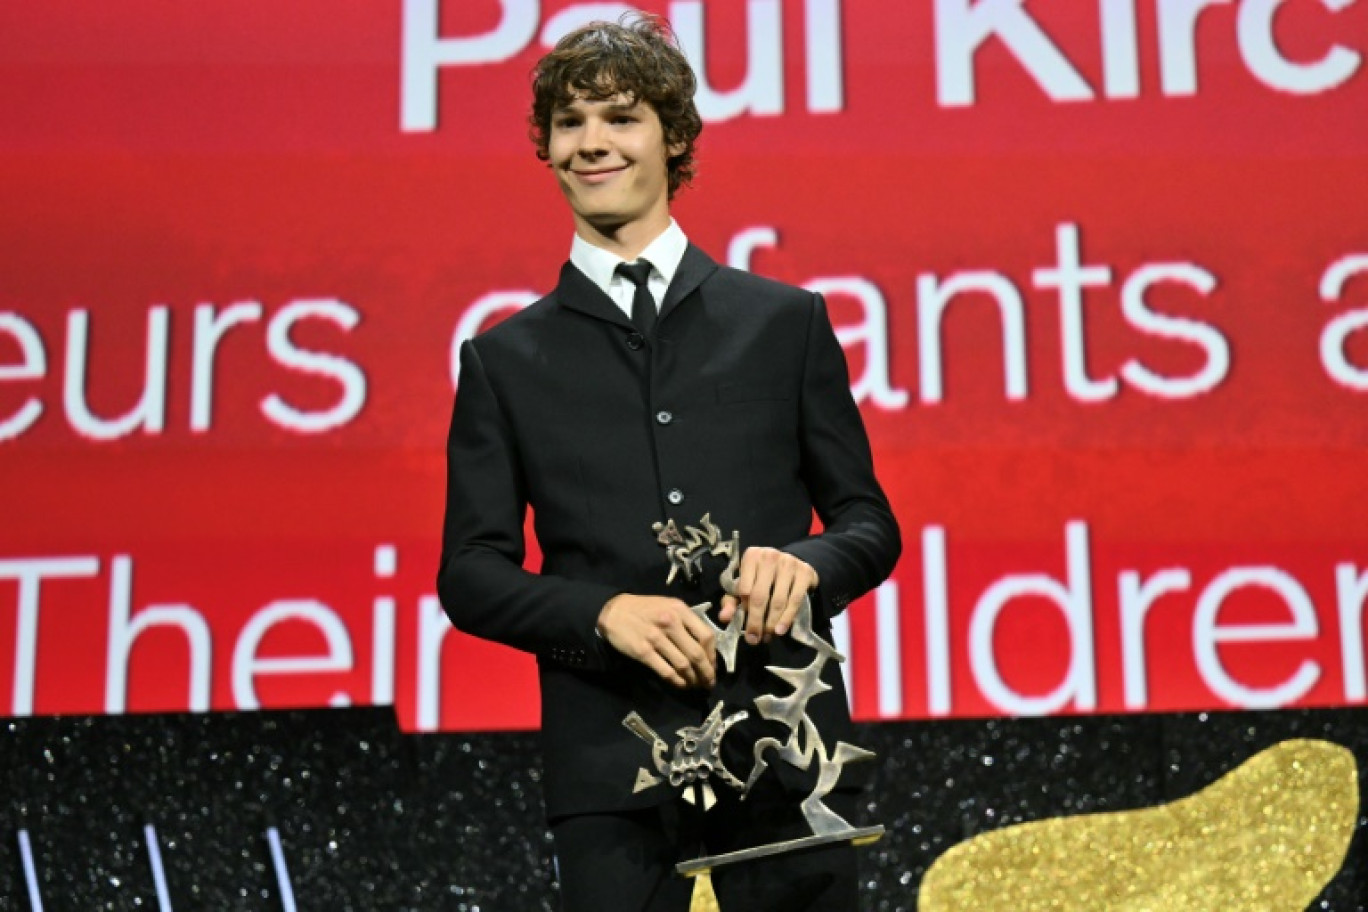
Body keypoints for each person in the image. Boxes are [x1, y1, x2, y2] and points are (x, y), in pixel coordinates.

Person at [437, 14, 900, 912]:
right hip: (613, 778)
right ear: (545, 147)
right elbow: (470, 573)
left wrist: (802, 565)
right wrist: (601, 612)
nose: (592, 143)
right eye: (569, 124)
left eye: (620, 117)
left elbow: (869, 525)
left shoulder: (783, 323)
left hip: (786, 762)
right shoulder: (504, 360)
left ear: (675, 137)